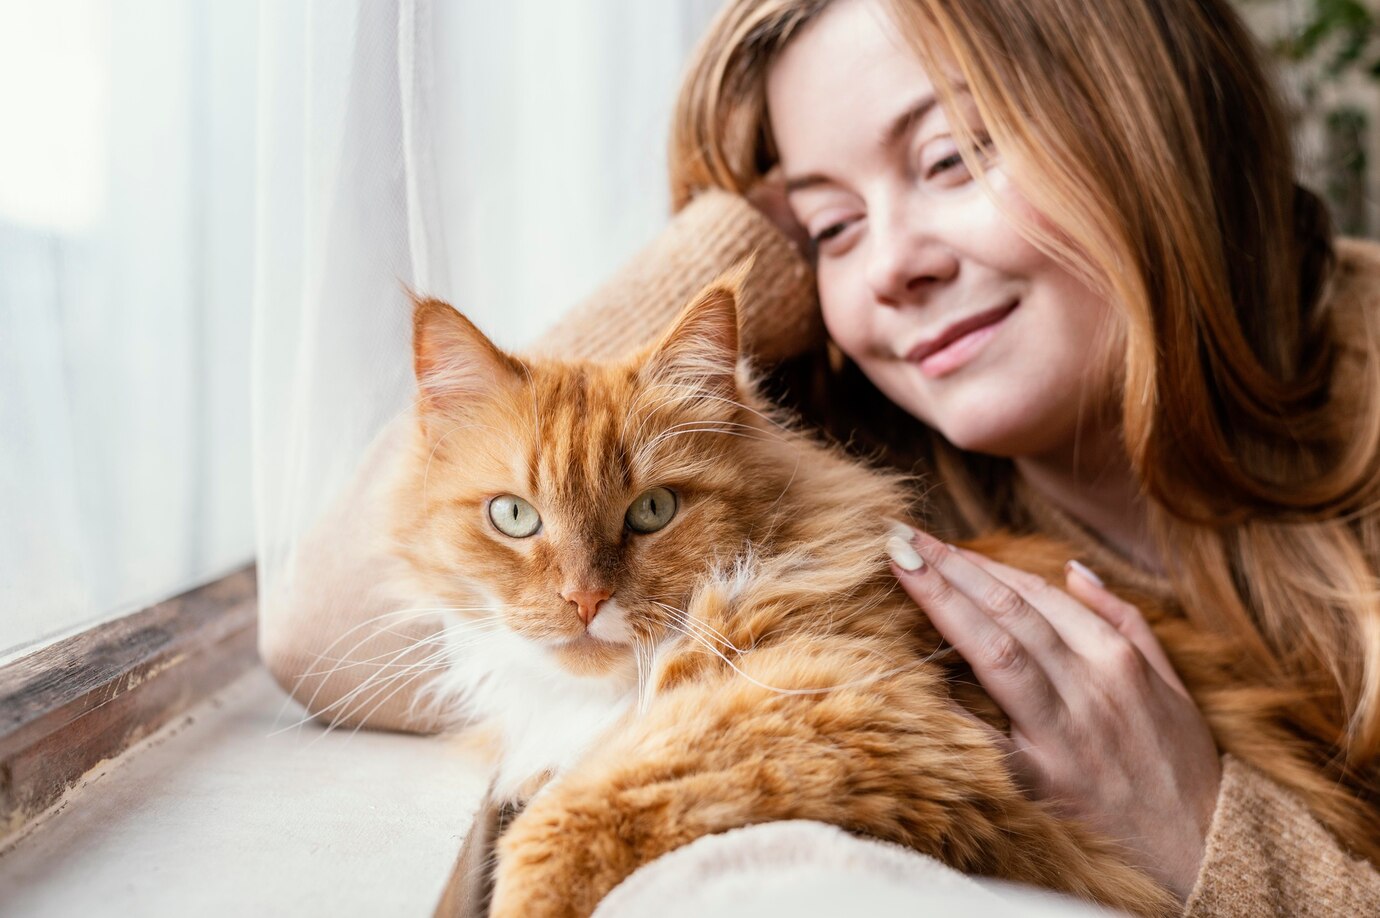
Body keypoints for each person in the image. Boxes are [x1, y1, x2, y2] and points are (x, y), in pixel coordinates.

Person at [263, 0, 1380, 913]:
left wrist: (1218, 847)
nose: (891, 268)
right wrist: (735, 258)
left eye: (951, 156)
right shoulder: (829, 461)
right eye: (831, 226)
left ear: (1142, 119)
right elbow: (325, 617)